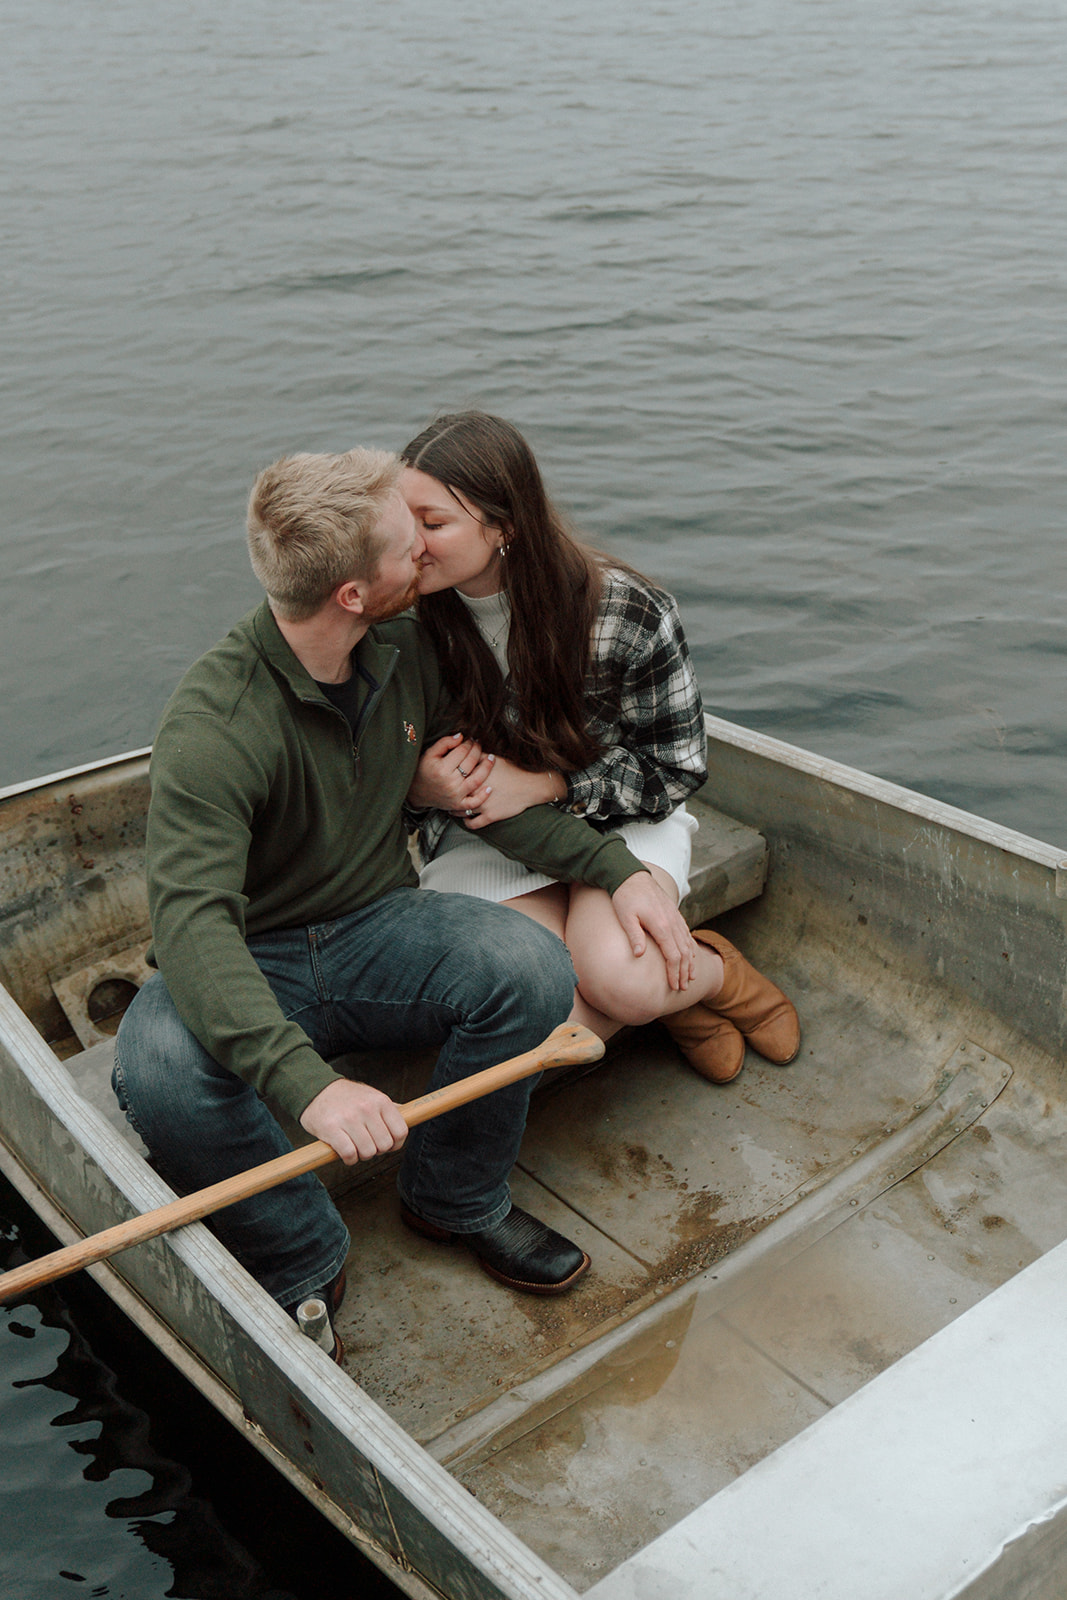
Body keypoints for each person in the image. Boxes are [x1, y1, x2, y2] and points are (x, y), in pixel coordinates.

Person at [114, 447, 700, 1346]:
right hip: (250, 953)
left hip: (373, 927)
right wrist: (309, 1089)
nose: (425, 559)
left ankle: (453, 1201)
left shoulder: (408, 644)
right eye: (407, 547)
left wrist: (616, 873)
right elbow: (192, 931)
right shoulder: (213, 727)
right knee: (156, 1069)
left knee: (528, 967)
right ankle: (302, 1257)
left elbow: (482, 799)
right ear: (353, 593)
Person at [401, 411, 800, 1086]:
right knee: (543, 1017)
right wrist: (419, 790)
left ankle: (707, 976)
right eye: (401, 520)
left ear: (504, 527)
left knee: (623, 983)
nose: (409, 544)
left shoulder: (626, 611)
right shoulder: (405, 621)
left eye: (432, 524)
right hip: (482, 840)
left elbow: (675, 767)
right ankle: (681, 995)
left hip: (620, 819)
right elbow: (368, 777)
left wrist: (554, 785)